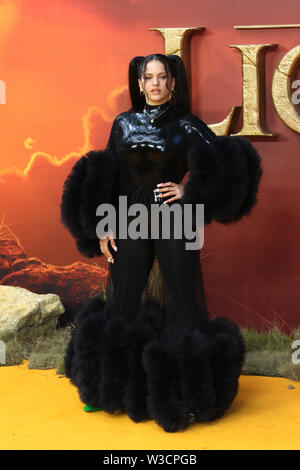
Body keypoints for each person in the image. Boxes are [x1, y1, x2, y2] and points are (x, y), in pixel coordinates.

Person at [60, 53, 263, 433]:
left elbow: (226, 162)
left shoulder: (186, 123)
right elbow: (107, 176)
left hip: (174, 215)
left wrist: (188, 189)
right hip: (129, 214)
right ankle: (108, 389)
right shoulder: (123, 123)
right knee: (123, 298)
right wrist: (103, 226)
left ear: (172, 82)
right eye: (147, 78)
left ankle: (192, 394)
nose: (154, 84)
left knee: (184, 297)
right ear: (139, 84)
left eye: (161, 77)